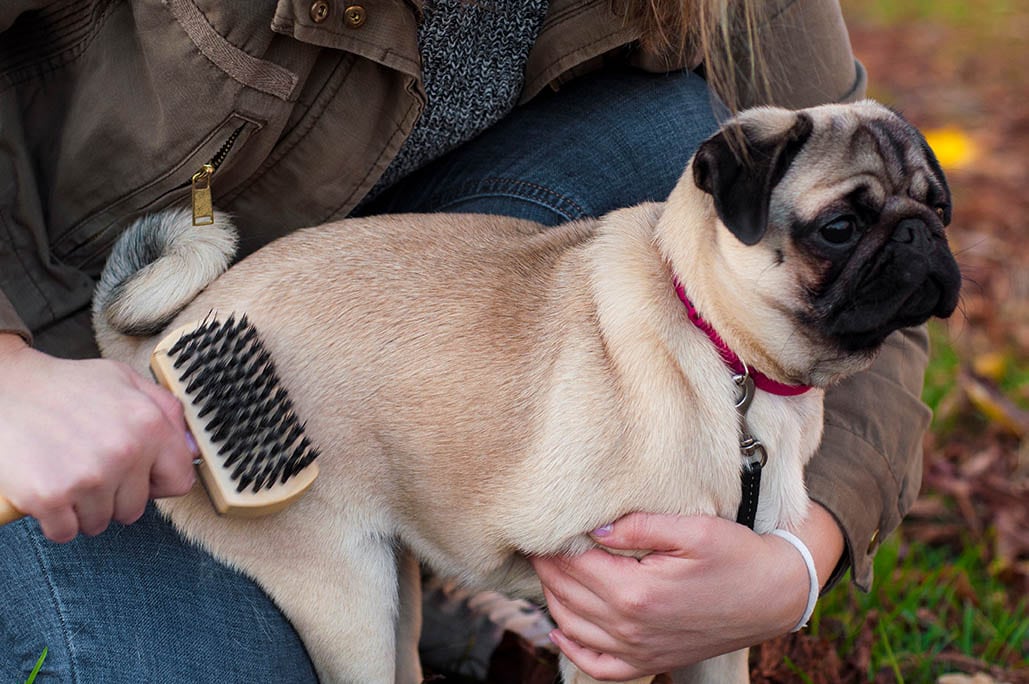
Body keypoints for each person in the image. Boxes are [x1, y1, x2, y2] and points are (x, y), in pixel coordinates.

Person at [0, 1, 930, 681]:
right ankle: (432, 549)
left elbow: (878, 290)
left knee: (678, 131)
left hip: (441, 266)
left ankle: (464, 497)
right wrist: (9, 373)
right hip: (80, 332)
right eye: (840, 230)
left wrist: (793, 565)